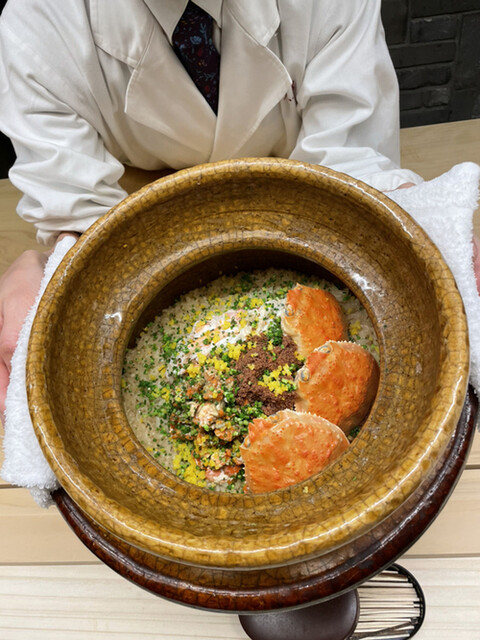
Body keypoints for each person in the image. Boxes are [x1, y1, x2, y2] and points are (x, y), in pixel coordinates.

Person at [0, 0, 476, 416]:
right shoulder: (37, 25)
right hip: (146, 194)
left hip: (301, 191)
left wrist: (428, 221)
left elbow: (353, 164)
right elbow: (79, 207)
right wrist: (58, 262)